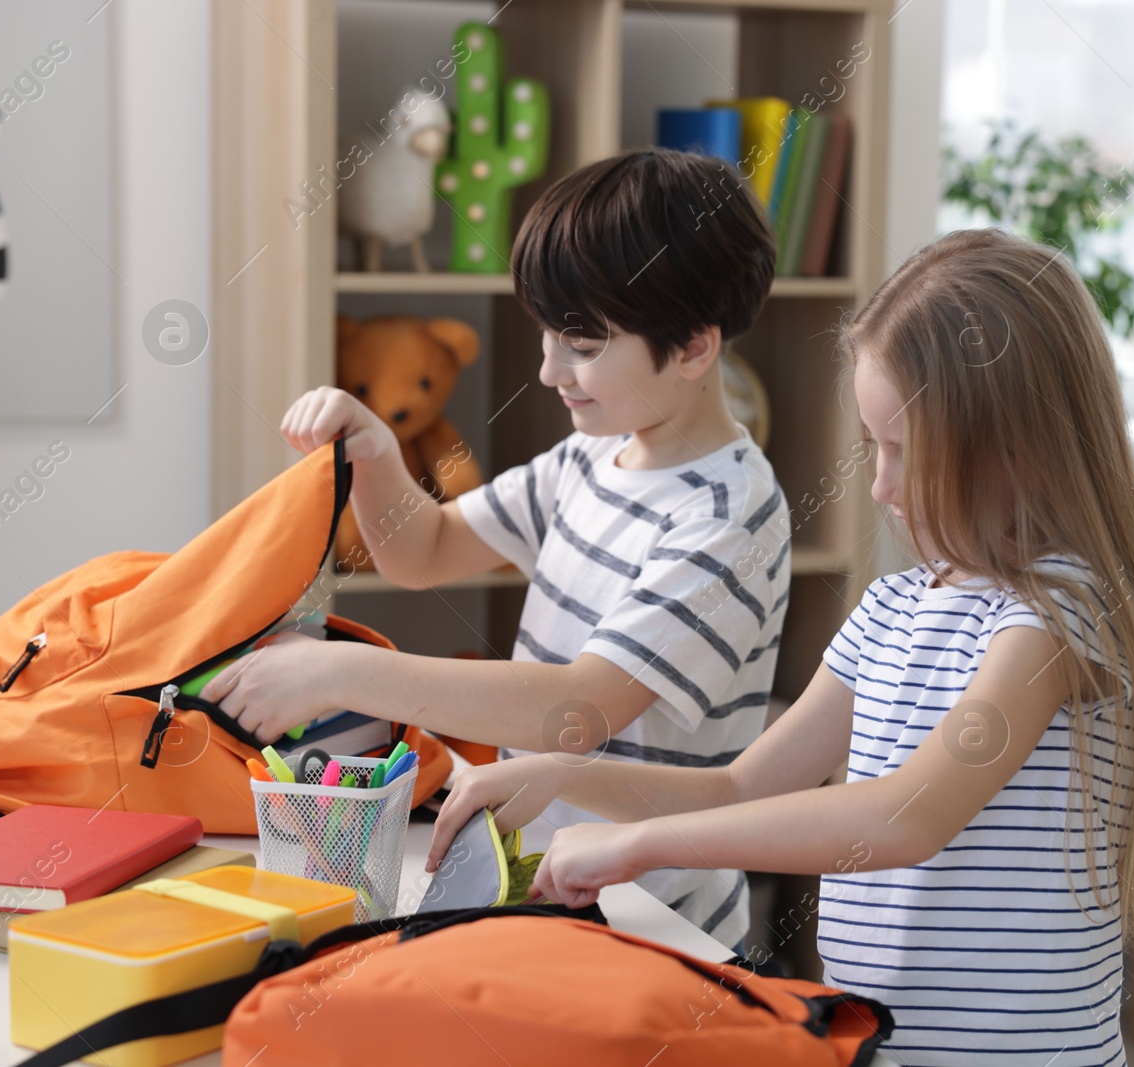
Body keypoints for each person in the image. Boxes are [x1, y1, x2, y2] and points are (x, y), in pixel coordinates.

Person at [427, 228, 1134, 1065]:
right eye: (873, 446)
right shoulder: (894, 605)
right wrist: (562, 778)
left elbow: (906, 817)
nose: (879, 485)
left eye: (906, 451)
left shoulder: (1056, 617)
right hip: (880, 1047)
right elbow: (741, 784)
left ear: (1015, 447)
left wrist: (640, 843)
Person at [203, 149, 789, 949]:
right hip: (542, 885)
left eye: (582, 344)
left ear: (692, 347)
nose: (549, 369)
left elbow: (578, 709)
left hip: (649, 921)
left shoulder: (728, 515)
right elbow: (425, 551)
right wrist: (376, 452)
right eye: (547, 333)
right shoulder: (592, 455)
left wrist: (342, 673)